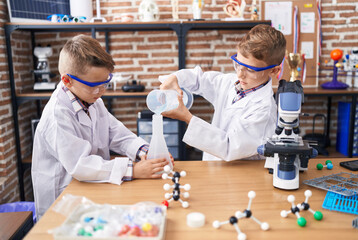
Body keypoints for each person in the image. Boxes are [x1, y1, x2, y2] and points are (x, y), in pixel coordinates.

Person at [32, 35, 172, 219]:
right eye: (93, 86)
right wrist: (134, 170)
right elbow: (80, 165)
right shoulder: (57, 115)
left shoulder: (90, 98)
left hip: (91, 187)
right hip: (62, 198)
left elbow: (115, 131)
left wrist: (143, 150)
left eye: (105, 83)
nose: (100, 91)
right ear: (67, 81)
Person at [160, 24, 286, 161]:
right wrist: (175, 78)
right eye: (238, 64)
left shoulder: (264, 110)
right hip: (214, 169)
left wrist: (187, 118)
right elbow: (199, 80)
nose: (240, 74)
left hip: (240, 176)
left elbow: (230, 146)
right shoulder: (229, 83)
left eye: (250, 70)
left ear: (274, 71)